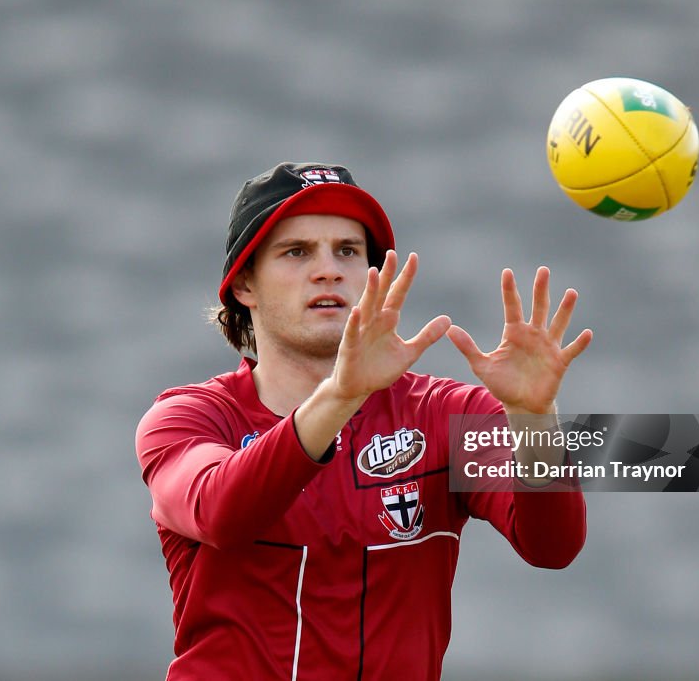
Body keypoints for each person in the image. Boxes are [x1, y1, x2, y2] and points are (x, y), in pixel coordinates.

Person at [135, 162, 593, 680]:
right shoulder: (186, 417)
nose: (328, 270)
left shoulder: (443, 414)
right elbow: (221, 510)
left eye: (348, 251)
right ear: (244, 284)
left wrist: (534, 419)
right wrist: (342, 396)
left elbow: (554, 547)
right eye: (296, 252)